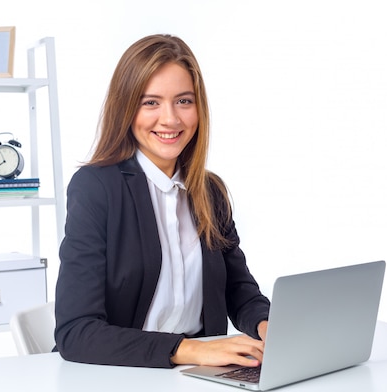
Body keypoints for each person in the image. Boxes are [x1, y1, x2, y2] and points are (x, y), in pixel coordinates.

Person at [54, 34, 270, 369]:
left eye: (184, 101)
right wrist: (189, 350)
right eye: (150, 102)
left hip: (200, 375)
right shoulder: (97, 187)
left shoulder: (209, 190)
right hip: (120, 375)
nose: (170, 119)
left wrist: (267, 325)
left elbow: (239, 290)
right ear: (126, 109)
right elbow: (76, 333)